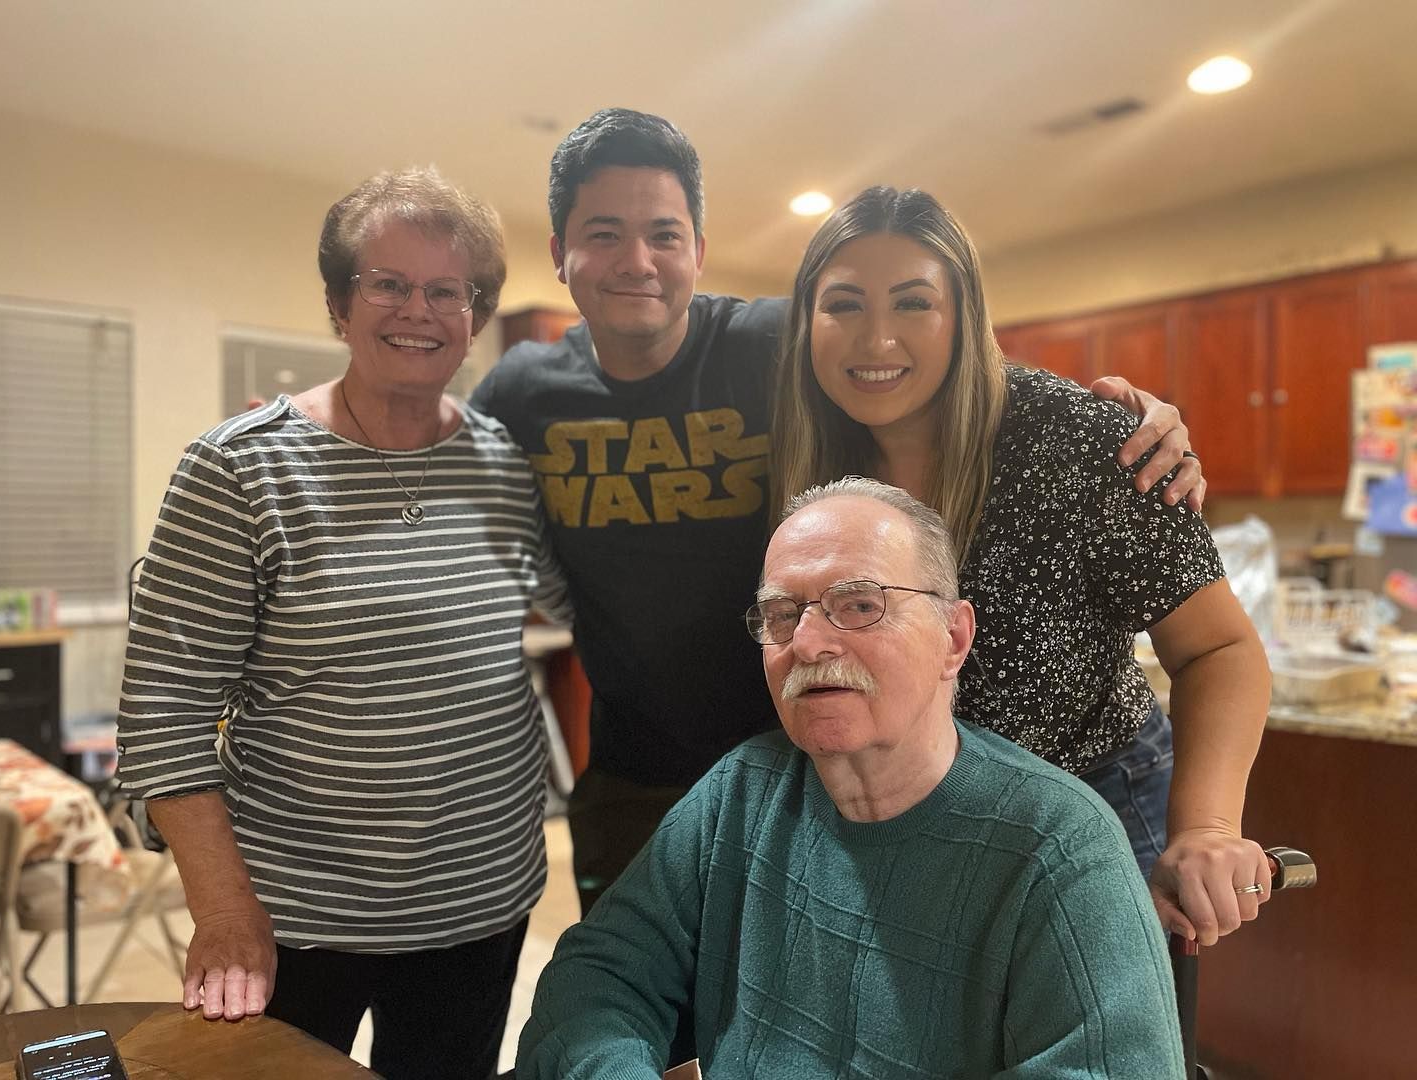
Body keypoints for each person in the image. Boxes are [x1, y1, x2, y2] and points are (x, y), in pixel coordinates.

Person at [470, 107, 1205, 916]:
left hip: (804, 766)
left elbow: (927, 360)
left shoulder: (776, 345)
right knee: (633, 990)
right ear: (559, 255)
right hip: (638, 770)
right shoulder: (519, 393)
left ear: (699, 252)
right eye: (604, 234)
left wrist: (1125, 418)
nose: (636, 261)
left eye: (665, 235)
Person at [117, 167, 570, 1080]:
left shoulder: (505, 465)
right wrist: (226, 911)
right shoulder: (238, 472)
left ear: (476, 314)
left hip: (478, 906)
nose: (420, 310)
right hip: (291, 918)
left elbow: (572, 599)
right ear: (338, 302)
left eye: (449, 290)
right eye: (389, 283)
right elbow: (162, 715)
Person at [516, 479, 1186, 1079]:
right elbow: (599, 975)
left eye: (860, 604)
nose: (807, 643)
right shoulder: (743, 791)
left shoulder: (1059, 848)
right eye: (782, 613)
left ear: (954, 637)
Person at [769, 185, 1274, 946]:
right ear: (806, 322)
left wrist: (1207, 826)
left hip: (1098, 806)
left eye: (913, 304)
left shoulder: (1081, 442)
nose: (875, 339)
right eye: (843, 305)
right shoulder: (808, 467)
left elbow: (1219, 648)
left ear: (964, 316)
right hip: (911, 825)